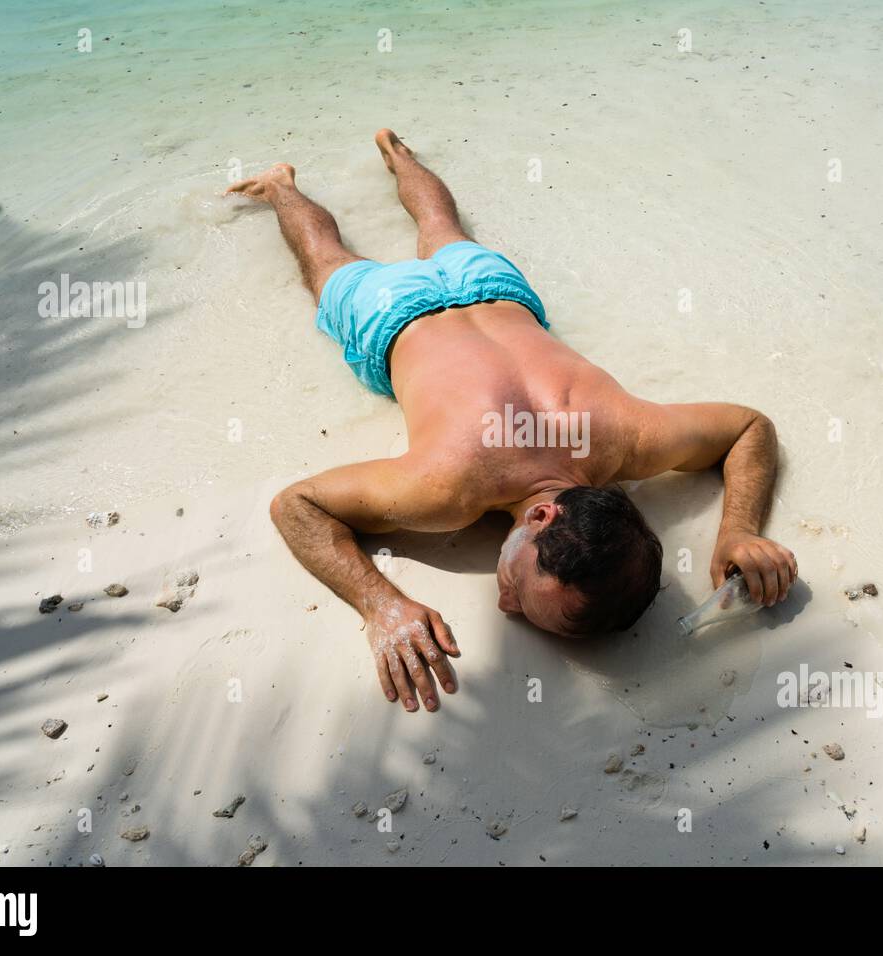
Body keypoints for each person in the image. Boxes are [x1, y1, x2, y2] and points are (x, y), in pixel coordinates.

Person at [227, 130, 796, 714]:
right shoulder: (449, 489)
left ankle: (398, 155)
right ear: (543, 516)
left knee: (442, 228)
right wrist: (381, 605)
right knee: (326, 259)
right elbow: (297, 506)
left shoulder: (630, 436)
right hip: (390, 315)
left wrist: (738, 532)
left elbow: (748, 425)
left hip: (492, 289)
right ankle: (279, 185)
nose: (505, 606)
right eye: (521, 593)